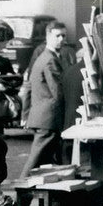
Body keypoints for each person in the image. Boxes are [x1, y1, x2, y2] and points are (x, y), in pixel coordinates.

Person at [20, 20, 67, 177]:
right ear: (48, 35)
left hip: (44, 118)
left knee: (48, 165)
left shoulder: (44, 57)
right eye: (57, 35)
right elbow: (58, 92)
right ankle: (19, 199)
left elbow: (30, 89)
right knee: (34, 163)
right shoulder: (50, 60)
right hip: (49, 120)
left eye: (63, 36)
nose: (61, 39)